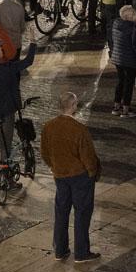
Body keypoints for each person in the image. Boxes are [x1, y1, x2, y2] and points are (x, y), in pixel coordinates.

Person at [40, 91, 101, 262]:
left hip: (60, 176)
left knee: (61, 212)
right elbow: (88, 156)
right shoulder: (79, 130)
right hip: (80, 176)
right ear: (73, 107)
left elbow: (44, 153)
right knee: (82, 213)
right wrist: (92, 172)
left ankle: (60, 250)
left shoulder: (48, 127)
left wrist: (55, 167)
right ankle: (81, 253)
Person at [0, 40, 37, 190]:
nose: (2, 48)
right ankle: (7, 181)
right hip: (6, 115)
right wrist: (33, 43)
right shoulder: (8, 68)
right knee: (6, 147)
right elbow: (28, 61)